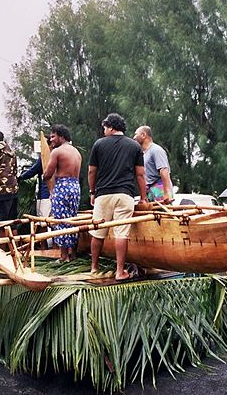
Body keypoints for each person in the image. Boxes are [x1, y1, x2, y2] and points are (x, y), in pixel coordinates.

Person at [88, 113, 147, 280]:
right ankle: (120, 272)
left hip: (103, 195)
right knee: (121, 234)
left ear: (111, 127)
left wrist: (92, 192)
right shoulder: (134, 146)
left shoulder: (99, 144)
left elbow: (92, 171)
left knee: (97, 232)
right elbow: (140, 175)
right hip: (125, 194)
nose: (104, 130)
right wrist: (143, 197)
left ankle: (94, 268)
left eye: (105, 127)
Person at [43, 124, 82, 262]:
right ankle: (74, 255)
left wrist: (44, 176)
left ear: (62, 136)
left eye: (53, 136)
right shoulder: (76, 152)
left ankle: (64, 256)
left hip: (63, 186)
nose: (51, 139)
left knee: (60, 220)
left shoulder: (57, 152)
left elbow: (48, 173)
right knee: (73, 219)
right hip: (75, 186)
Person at [133, 125, 173, 203]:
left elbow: (164, 171)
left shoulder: (156, 150)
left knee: (162, 213)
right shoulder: (143, 153)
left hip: (159, 188)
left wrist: (167, 192)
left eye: (136, 134)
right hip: (149, 190)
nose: (134, 138)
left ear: (143, 135)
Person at [18, 151, 51, 218]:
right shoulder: (52, 155)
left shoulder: (46, 156)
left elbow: (34, 170)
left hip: (46, 194)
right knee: (42, 216)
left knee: (43, 217)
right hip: (44, 193)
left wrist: (21, 177)